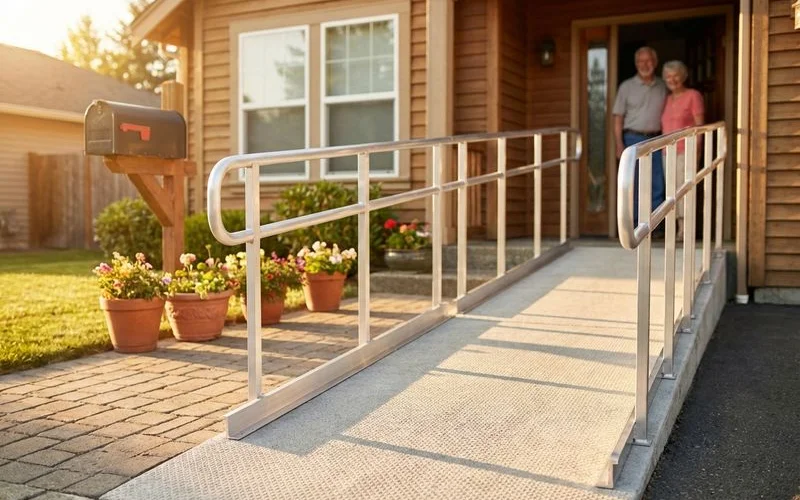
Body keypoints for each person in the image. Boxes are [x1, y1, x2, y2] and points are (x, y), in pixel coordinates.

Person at [613, 46, 667, 225]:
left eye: (648, 60)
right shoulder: (626, 87)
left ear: (655, 62)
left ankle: (655, 225)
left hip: (658, 139)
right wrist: (619, 144)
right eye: (640, 61)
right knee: (634, 183)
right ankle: (636, 225)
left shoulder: (663, 86)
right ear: (636, 64)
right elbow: (618, 118)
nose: (645, 65)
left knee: (657, 182)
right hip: (632, 139)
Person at [661, 60, 705, 240]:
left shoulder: (693, 95)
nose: (672, 80)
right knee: (672, 191)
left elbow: (699, 126)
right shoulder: (667, 99)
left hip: (686, 149)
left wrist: (696, 150)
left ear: (684, 76)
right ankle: (678, 228)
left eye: (676, 75)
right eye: (668, 76)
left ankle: (686, 230)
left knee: (684, 190)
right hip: (667, 152)